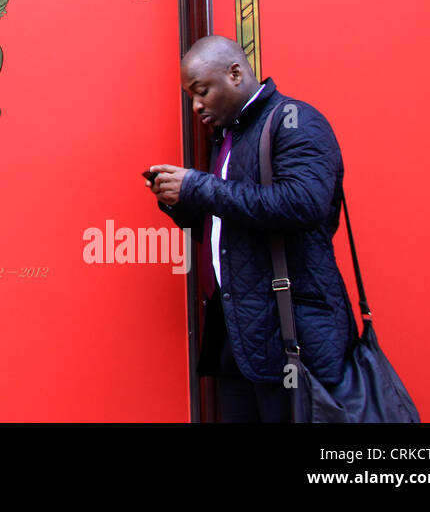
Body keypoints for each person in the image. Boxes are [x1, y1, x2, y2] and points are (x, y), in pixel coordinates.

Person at [148, 35, 356, 422]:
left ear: (235, 72)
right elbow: (232, 234)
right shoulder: (227, 138)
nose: (196, 106)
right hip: (240, 342)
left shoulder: (295, 121)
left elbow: (302, 204)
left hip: (292, 340)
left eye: (201, 91)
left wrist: (199, 186)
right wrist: (183, 204)